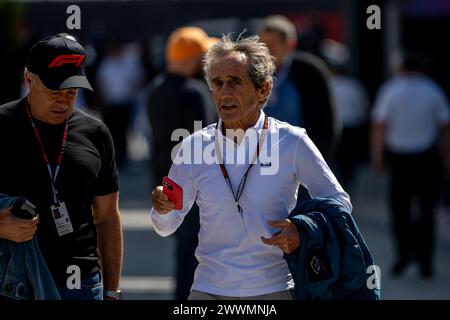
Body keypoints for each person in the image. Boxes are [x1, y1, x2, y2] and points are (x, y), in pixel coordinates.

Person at [151, 34, 352, 299]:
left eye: (235, 82)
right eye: (218, 83)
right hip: (208, 290)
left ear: (263, 89)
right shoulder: (194, 146)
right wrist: (162, 208)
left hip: (276, 289)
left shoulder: (291, 141)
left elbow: (339, 202)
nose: (224, 93)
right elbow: (165, 226)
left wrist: (303, 230)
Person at [0, 33, 123, 300]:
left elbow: (107, 217)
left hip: (84, 285)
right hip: (16, 281)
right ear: (28, 80)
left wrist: (112, 290)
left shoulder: (96, 132)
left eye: (71, 92)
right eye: (54, 91)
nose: (63, 101)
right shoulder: (3, 124)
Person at [146, 26, 217, 300]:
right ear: (193, 60)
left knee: (185, 253)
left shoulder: (155, 90)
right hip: (196, 187)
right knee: (198, 257)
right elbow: (209, 142)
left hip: (168, 184)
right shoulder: (195, 93)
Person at [371, 52, 450, 278]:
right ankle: (425, 261)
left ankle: (403, 254)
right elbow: (445, 127)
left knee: (399, 210)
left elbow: (379, 125)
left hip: (399, 159)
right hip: (427, 158)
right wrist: (447, 158)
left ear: (401, 68)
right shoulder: (433, 90)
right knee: (427, 212)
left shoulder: (391, 90)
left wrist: (377, 157)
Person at [258, 15, 339, 160]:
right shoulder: (251, 73)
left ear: (290, 44)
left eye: (272, 45)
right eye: (263, 44)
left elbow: (326, 123)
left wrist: (315, 161)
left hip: (299, 160)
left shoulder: (310, 72)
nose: (266, 51)